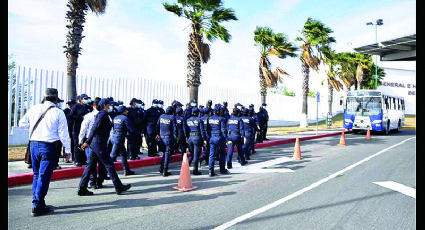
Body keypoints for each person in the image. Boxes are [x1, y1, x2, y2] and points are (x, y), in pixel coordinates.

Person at [19, 88, 71, 216]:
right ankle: (37, 204)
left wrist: (35, 130)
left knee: (37, 175)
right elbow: (64, 134)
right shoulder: (58, 113)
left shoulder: (34, 108)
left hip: (33, 145)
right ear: (55, 99)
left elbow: (21, 124)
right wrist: (68, 150)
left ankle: (38, 201)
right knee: (44, 176)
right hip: (48, 147)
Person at [78, 98, 131, 196]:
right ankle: (118, 187)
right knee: (109, 164)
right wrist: (87, 141)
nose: (110, 106)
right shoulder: (102, 115)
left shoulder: (104, 115)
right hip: (98, 143)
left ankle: (82, 188)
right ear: (104, 105)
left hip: (96, 143)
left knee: (90, 166)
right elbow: (94, 128)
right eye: (108, 105)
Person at [78, 97, 107, 188]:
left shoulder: (88, 116)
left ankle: (92, 181)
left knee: (91, 163)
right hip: (101, 141)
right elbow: (109, 130)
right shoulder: (106, 116)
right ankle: (100, 181)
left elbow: (83, 130)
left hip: (89, 141)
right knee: (102, 162)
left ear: (94, 105)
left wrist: (80, 141)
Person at [110, 105, 141, 176]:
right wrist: (139, 134)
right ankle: (106, 173)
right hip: (119, 139)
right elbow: (131, 129)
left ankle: (127, 170)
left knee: (124, 154)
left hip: (113, 137)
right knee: (112, 156)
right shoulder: (125, 118)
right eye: (126, 110)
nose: (127, 112)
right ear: (123, 112)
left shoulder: (115, 118)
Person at [207, 104, 229, 176]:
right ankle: (222, 169)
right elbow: (223, 130)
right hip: (219, 138)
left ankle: (211, 171)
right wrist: (227, 139)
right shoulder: (221, 119)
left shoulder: (209, 118)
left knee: (212, 155)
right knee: (222, 153)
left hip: (212, 138)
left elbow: (208, 129)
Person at [184, 107, 207, 175]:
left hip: (190, 138)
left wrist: (187, 137)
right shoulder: (199, 120)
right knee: (196, 155)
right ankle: (195, 170)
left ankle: (185, 168)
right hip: (197, 138)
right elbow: (202, 131)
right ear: (198, 113)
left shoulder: (188, 120)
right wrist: (204, 139)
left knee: (192, 153)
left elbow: (185, 130)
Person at [68, 94, 89, 166]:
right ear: (80, 99)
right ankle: (77, 160)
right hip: (77, 128)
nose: (86, 100)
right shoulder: (76, 106)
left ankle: (83, 159)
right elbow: (70, 116)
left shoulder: (86, 107)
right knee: (77, 144)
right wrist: (80, 118)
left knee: (83, 143)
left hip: (84, 129)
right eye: (84, 98)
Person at [156, 106, 177, 177]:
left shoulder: (161, 116)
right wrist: (175, 138)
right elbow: (175, 129)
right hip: (168, 138)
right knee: (167, 154)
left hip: (161, 137)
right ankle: (165, 170)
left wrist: (158, 134)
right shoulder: (172, 117)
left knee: (164, 153)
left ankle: (161, 168)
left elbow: (157, 126)